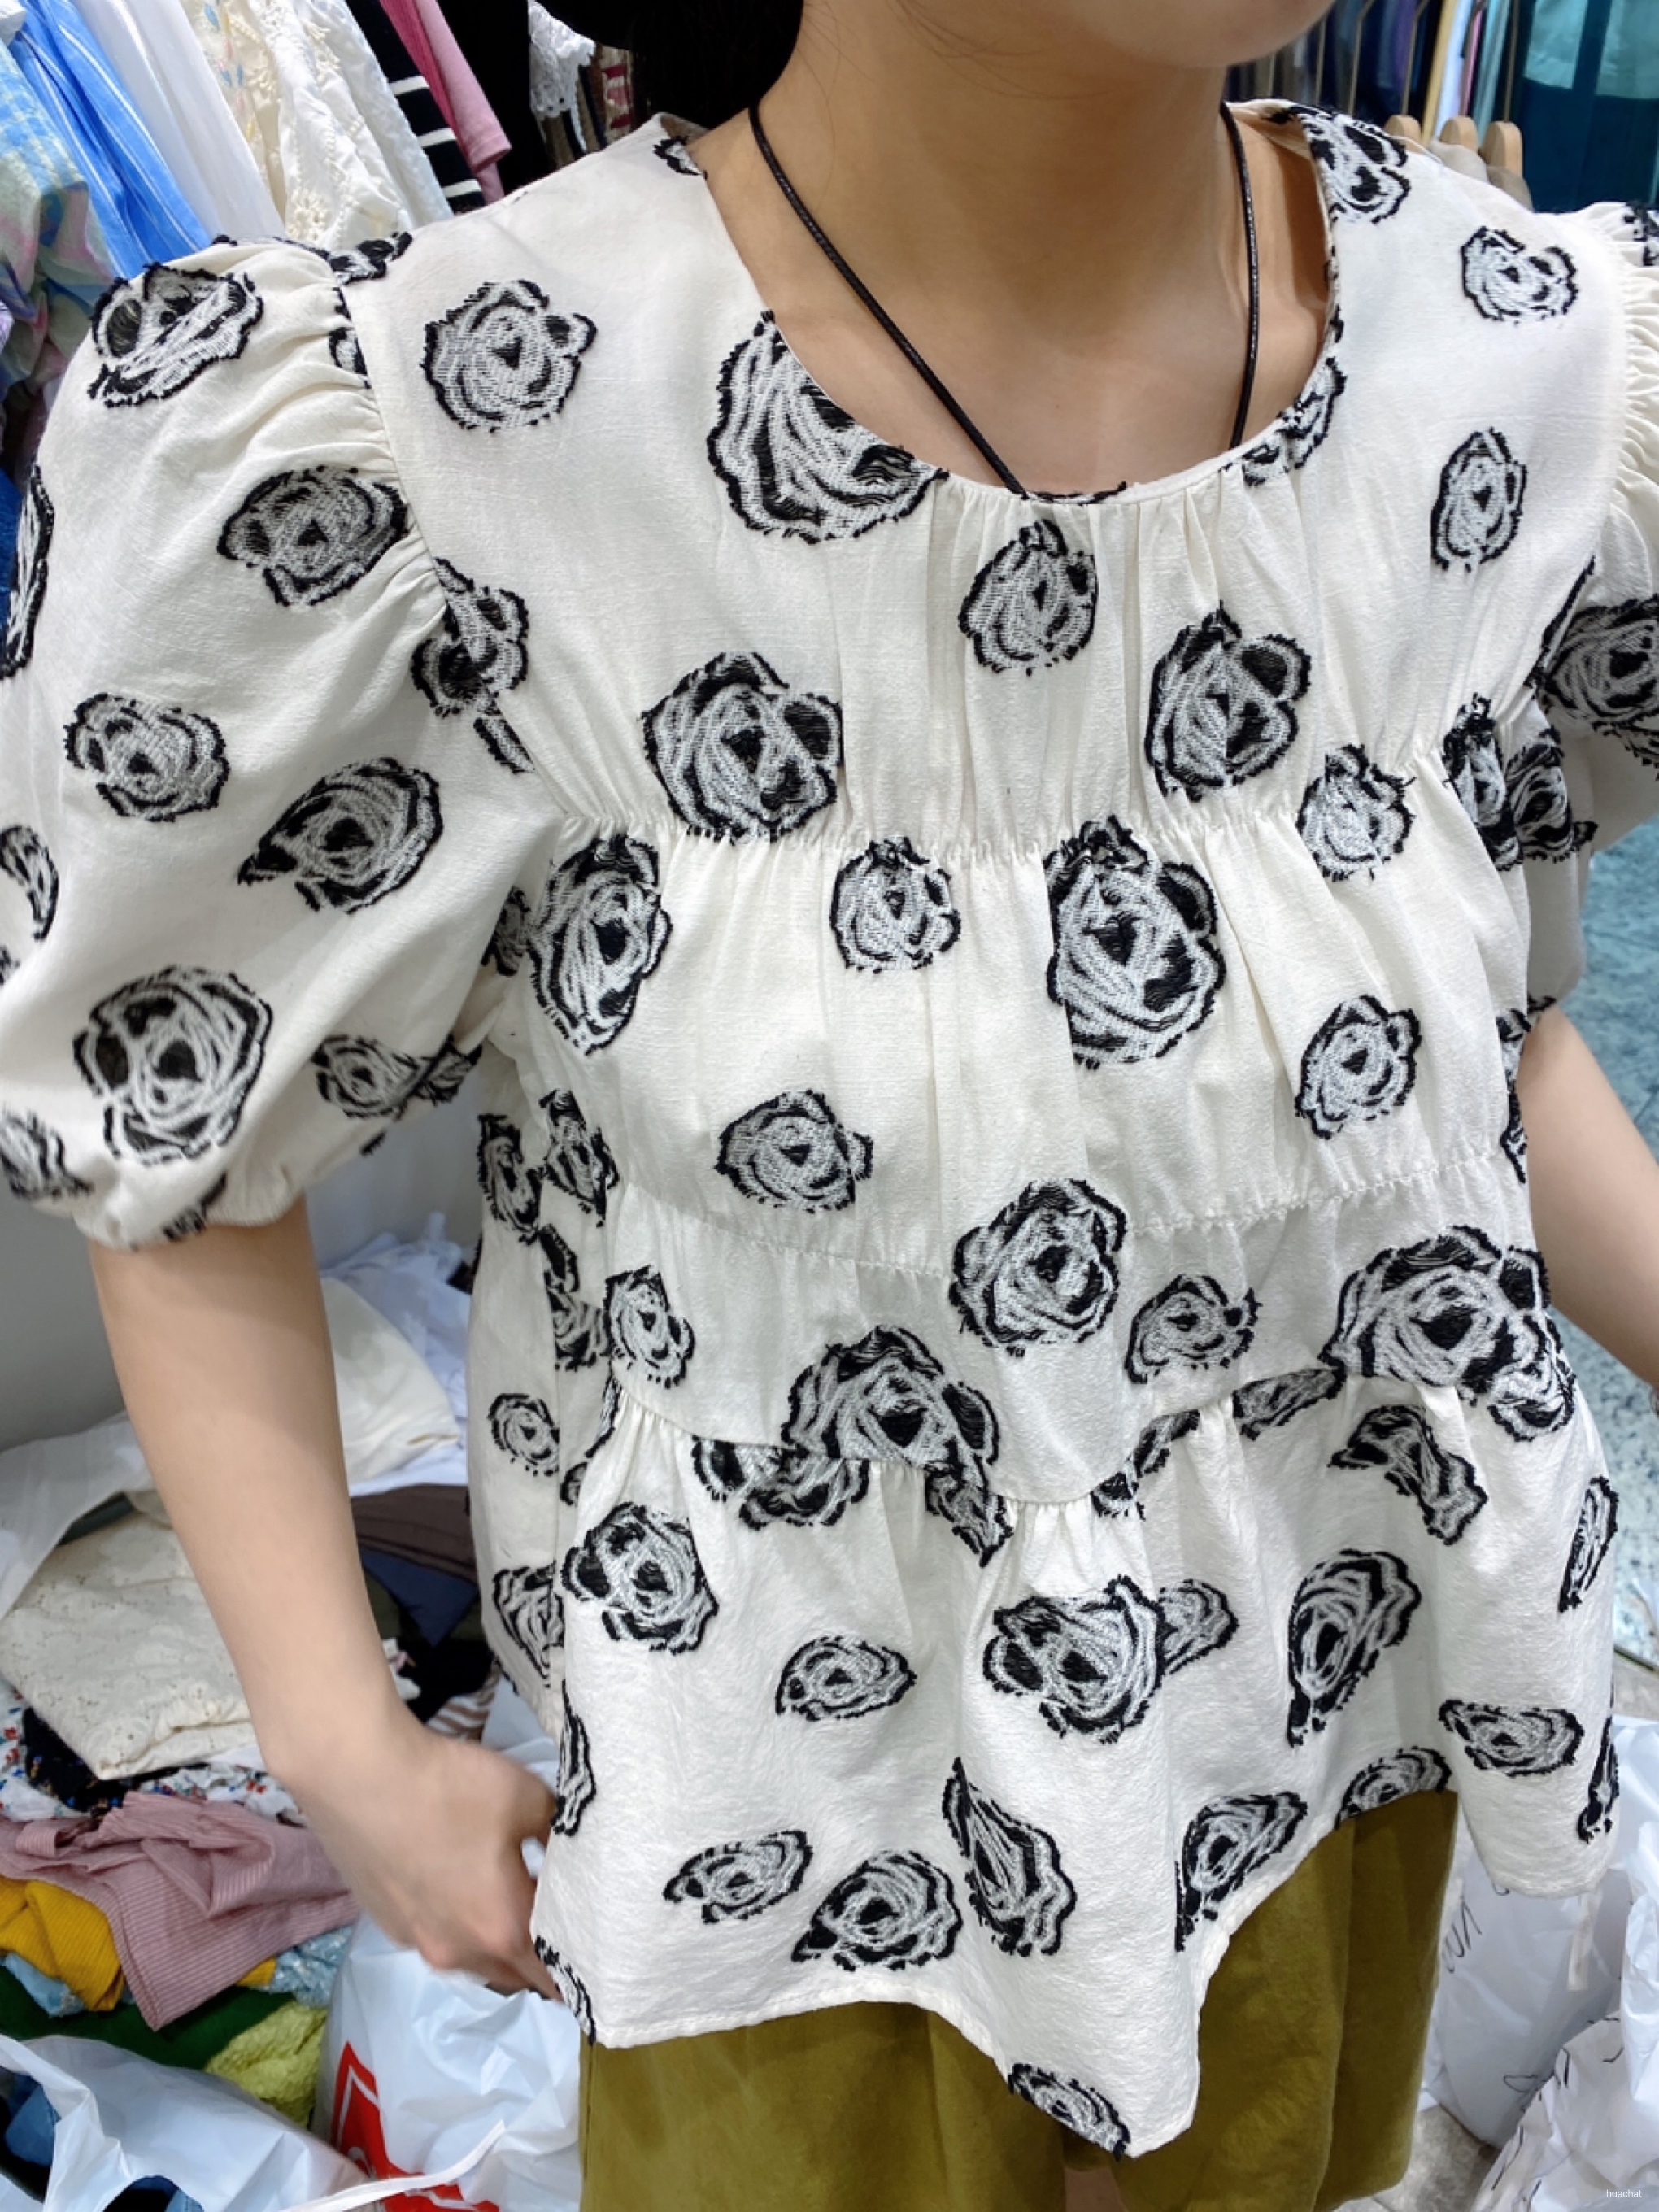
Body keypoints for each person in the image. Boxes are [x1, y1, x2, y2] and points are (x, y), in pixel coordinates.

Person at [2, 0, 1658, 2204]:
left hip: (1312, 1719)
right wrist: (341, 1737)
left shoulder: (1520, 361)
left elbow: (1471, 1046)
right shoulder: (461, 432)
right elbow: (176, 1115)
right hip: (795, 1830)